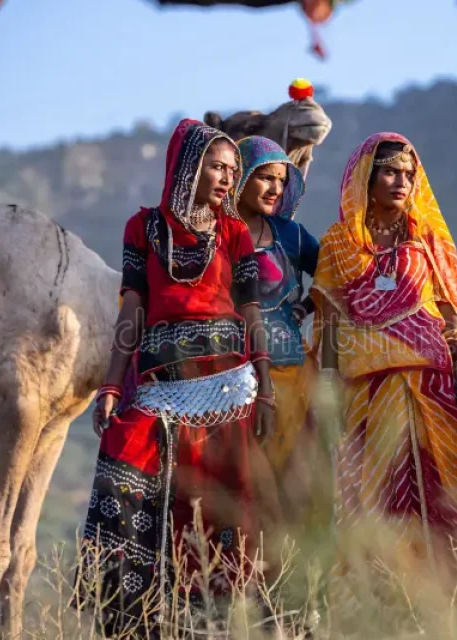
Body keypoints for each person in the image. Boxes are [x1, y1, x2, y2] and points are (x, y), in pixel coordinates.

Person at [74, 119, 277, 635]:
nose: (227, 178)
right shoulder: (142, 229)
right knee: (123, 461)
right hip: (160, 388)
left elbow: (252, 313)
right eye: (217, 166)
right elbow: (132, 313)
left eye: (232, 170)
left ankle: (213, 626)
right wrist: (111, 385)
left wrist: (267, 388)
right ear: (188, 167)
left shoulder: (234, 233)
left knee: (218, 511)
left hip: (227, 390)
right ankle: (132, 621)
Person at [311, 132, 457, 606]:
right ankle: (387, 608)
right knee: (376, 500)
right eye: (389, 172)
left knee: (453, 494)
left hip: (435, 388)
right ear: (366, 178)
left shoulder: (427, 240)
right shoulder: (338, 243)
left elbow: (452, 319)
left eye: (408, 174)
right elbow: (329, 330)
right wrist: (328, 396)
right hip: (367, 395)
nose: (401, 182)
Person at [234, 135, 320, 522]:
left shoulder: (291, 235)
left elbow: (335, 277)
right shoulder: (214, 233)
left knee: (289, 489)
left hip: (289, 374)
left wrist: (304, 308)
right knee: (236, 490)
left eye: (282, 181)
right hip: (227, 376)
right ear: (240, 176)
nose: (275, 189)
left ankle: (289, 561)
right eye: (265, 177)